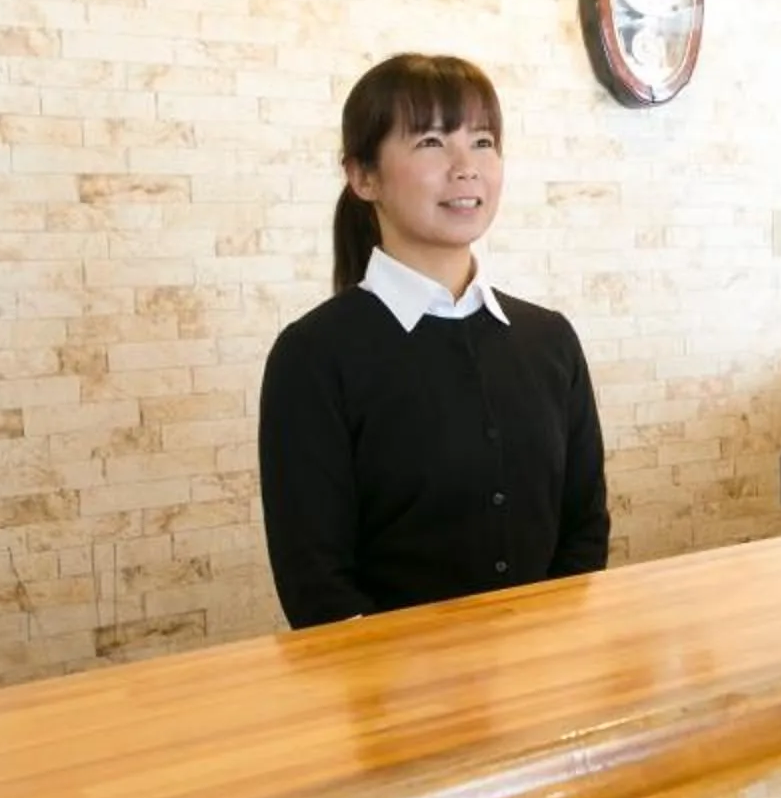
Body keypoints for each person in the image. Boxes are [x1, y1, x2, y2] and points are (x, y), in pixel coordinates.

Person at [257, 53, 609, 629]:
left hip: (545, 679)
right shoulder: (315, 356)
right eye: (430, 142)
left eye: (483, 142)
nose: (465, 167)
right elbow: (315, 582)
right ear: (363, 176)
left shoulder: (550, 341)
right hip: (392, 705)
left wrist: (545, 653)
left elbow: (584, 529)